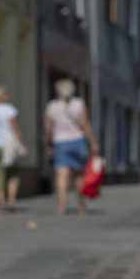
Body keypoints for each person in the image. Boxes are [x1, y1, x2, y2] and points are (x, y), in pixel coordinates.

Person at [44, 78, 99, 215]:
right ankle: (81, 205)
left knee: (62, 175)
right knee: (79, 175)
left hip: (60, 142)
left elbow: (48, 130)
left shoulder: (51, 106)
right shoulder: (79, 104)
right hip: (78, 141)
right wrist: (92, 142)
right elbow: (85, 125)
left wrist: (48, 145)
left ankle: (62, 206)